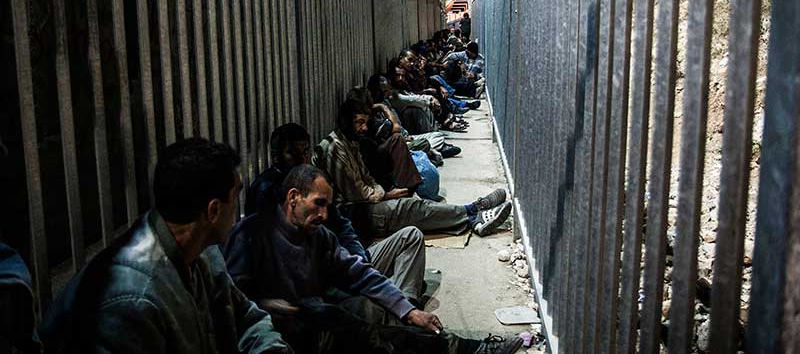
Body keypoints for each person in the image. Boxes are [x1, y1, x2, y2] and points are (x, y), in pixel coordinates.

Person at [225, 165, 523, 354]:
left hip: (316, 323)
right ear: (292, 198)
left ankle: (466, 347)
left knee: (387, 333)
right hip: (283, 337)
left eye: (327, 206)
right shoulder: (252, 234)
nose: (325, 214)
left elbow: (358, 271)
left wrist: (408, 311)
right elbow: (234, 301)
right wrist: (270, 306)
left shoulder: (318, 235)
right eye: (318, 204)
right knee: (371, 332)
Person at [40, 139, 289, 354]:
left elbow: (245, 317)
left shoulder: (203, 251)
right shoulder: (133, 299)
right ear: (213, 210)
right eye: (235, 196)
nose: (237, 207)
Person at [247, 123, 427, 306]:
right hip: (320, 282)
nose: (302, 159)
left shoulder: (314, 182)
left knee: (411, 236)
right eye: (293, 153)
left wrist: (359, 259)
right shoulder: (266, 191)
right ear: (276, 157)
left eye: (306, 152)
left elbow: (343, 226)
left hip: (346, 264)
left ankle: (406, 303)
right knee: (363, 308)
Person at [313, 98, 512, 240]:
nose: (364, 128)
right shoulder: (334, 148)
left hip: (365, 202)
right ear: (346, 122)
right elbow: (357, 193)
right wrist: (385, 195)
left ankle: (472, 214)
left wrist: (380, 192)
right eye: (359, 123)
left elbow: (367, 178)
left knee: (413, 208)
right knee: (409, 209)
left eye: (365, 122)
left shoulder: (351, 142)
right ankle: (473, 213)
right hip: (351, 213)